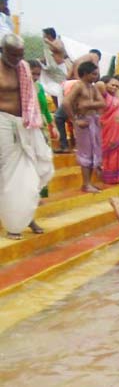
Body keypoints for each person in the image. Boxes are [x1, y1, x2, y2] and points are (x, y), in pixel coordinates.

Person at [0, 34, 54, 239]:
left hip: (24, 124)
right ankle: (14, 222)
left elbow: (30, 98)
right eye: (12, 55)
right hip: (2, 125)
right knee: (8, 174)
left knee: (36, 169)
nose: (16, 59)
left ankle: (25, 215)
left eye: (20, 55)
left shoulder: (22, 68)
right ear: (3, 50)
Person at [62, 61, 105, 192]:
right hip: (83, 122)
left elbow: (102, 103)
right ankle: (86, 184)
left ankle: (89, 183)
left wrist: (87, 105)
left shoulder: (92, 87)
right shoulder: (79, 86)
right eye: (93, 74)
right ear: (85, 73)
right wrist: (75, 120)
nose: (95, 77)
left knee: (94, 152)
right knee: (86, 153)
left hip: (93, 121)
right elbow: (66, 102)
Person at [28, 59, 60, 149]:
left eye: (38, 74)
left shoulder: (40, 87)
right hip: (29, 125)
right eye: (33, 73)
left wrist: (54, 127)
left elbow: (45, 109)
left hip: (42, 123)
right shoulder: (21, 88)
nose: (35, 77)